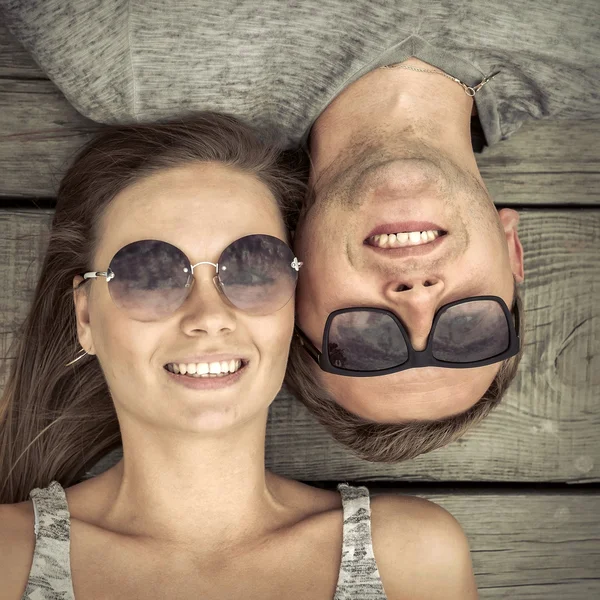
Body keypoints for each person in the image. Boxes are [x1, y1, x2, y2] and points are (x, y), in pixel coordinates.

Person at [1, 0, 597, 462]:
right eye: (470, 328)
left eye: (364, 339)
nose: (416, 302)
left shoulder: (127, 55)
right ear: (514, 251)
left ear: (290, 276)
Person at [0, 113, 478, 599]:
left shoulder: (413, 559)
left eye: (252, 269)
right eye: (149, 274)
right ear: (85, 316)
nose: (209, 315)